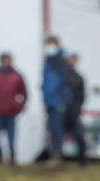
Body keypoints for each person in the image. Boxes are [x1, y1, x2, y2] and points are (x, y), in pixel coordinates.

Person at [0, 53, 26, 164]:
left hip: (11, 112)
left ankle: (12, 158)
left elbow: (24, 93)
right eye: (4, 60)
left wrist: (19, 107)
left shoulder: (17, 76)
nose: (6, 63)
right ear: (0, 61)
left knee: (11, 137)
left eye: (8, 60)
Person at [41, 36, 71, 166]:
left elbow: (61, 81)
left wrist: (51, 92)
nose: (49, 47)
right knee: (52, 129)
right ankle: (54, 155)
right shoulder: (48, 61)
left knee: (57, 129)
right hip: (49, 101)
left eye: (51, 44)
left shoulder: (60, 61)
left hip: (58, 101)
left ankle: (57, 156)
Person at [63, 53, 88, 166]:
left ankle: (82, 159)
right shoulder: (60, 76)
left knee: (79, 135)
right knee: (57, 136)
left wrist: (77, 108)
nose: (72, 61)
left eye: (74, 60)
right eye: (70, 59)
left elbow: (81, 96)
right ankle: (57, 159)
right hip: (61, 110)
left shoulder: (78, 77)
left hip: (73, 111)